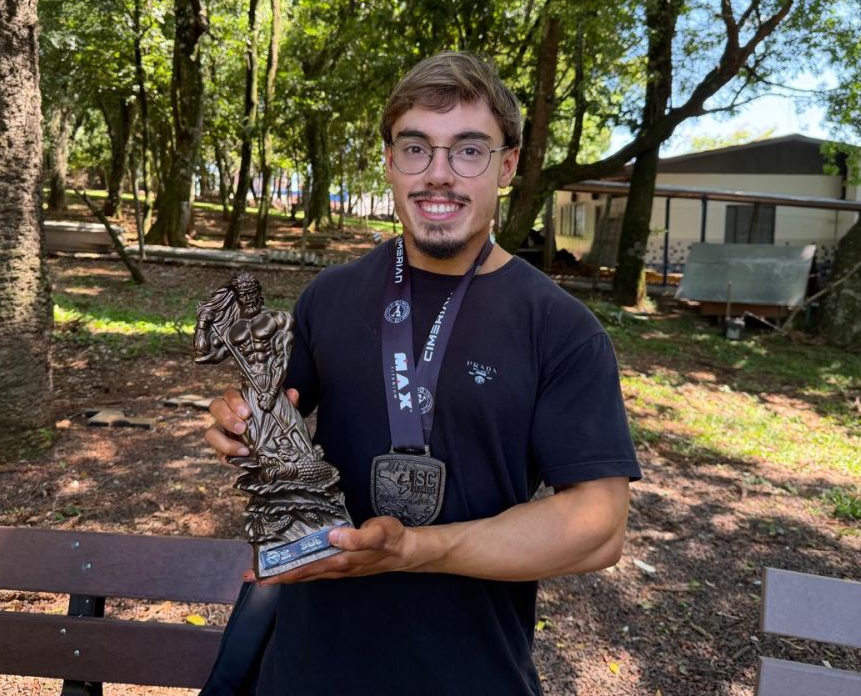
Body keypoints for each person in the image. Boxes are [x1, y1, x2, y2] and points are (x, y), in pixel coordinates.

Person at [204, 51, 642, 696]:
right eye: (416, 149)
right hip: (305, 670)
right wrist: (239, 421)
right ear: (389, 160)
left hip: (472, 674)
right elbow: (273, 410)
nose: (439, 174)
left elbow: (598, 527)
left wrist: (416, 549)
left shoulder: (560, 328)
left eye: (469, 151)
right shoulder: (330, 296)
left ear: (507, 166)